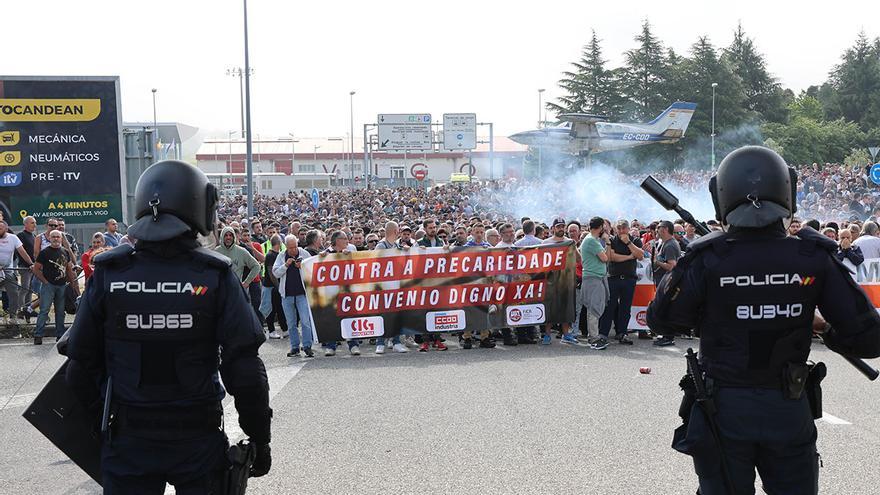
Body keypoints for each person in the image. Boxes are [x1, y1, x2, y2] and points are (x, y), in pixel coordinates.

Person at [648, 146, 880, 495]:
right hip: (788, 406)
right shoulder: (813, 256)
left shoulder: (707, 257)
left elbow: (662, 320)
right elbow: (870, 339)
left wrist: (710, 302)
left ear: (721, 196)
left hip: (722, 408)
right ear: (788, 193)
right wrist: (823, 327)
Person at [64, 160, 272, 493]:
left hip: (129, 439)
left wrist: (102, 431)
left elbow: (79, 369)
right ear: (197, 206)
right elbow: (246, 374)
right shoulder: (214, 275)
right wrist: (260, 441)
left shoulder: (109, 273)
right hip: (197, 440)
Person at [598, 219, 643, 346]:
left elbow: (640, 255)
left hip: (629, 279)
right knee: (609, 307)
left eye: (624, 228)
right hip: (613, 278)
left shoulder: (635, 240)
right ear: (615, 229)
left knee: (625, 308)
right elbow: (611, 257)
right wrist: (629, 257)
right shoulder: (612, 240)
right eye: (619, 228)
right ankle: (603, 334)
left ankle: (622, 333)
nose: (622, 231)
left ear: (628, 229)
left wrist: (628, 243)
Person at [32, 229, 78, 345]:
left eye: (58, 237)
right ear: (50, 239)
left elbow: (68, 268)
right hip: (49, 285)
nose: (56, 239)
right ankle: (38, 335)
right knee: (44, 311)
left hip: (62, 285)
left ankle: (60, 336)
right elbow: (36, 269)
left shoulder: (65, 252)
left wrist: (72, 283)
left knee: (60, 312)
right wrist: (45, 282)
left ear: (61, 239)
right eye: (53, 237)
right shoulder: (44, 252)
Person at [272, 234, 315, 358]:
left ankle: (307, 346)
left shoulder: (304, 253)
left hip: (302, 294)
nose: (293, 250)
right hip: (287, 295)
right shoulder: (281, 256)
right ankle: (295, 347)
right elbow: (276, 273)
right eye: (290, 248)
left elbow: (312, 270)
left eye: (295, 247)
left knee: (305, 321)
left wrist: (302, 267)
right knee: (291, 323)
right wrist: (286, 265)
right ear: (286, 247)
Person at [580, 217, 611, 350]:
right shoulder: (592, 240)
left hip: (594, 277)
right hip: (593, 278)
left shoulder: (590, 239)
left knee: (595, 307)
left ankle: (594, 337)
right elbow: (605, 258)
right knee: (594, 309)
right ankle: (593, 338)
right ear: (600, 227)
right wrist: (608, 242)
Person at [650, 220, 680, 347]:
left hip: (668, 282)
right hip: (663, 281)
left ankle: (669, 336)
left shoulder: (670, 245)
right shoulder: (665, 243)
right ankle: (665, 334)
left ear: (665, 229)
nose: (657, 230)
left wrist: (658, 262)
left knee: (666, 308)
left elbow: (672, 266)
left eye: (659, 228)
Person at [0, 220, 33, 330]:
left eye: (0, 228)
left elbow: (23, 252)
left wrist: (31, 264)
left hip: (9, 270)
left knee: (14, 294)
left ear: (6, 228)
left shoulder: (13, 238)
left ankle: (13, 318)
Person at [261, 234, 289, 339]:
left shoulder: (275, 254)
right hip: (271, 287)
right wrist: (278, 287)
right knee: (271, 309)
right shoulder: (270, 255)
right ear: (280, 243)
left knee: (279, 308)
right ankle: (272, 330)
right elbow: (271, 273)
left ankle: (285, 329)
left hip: (274, 286)